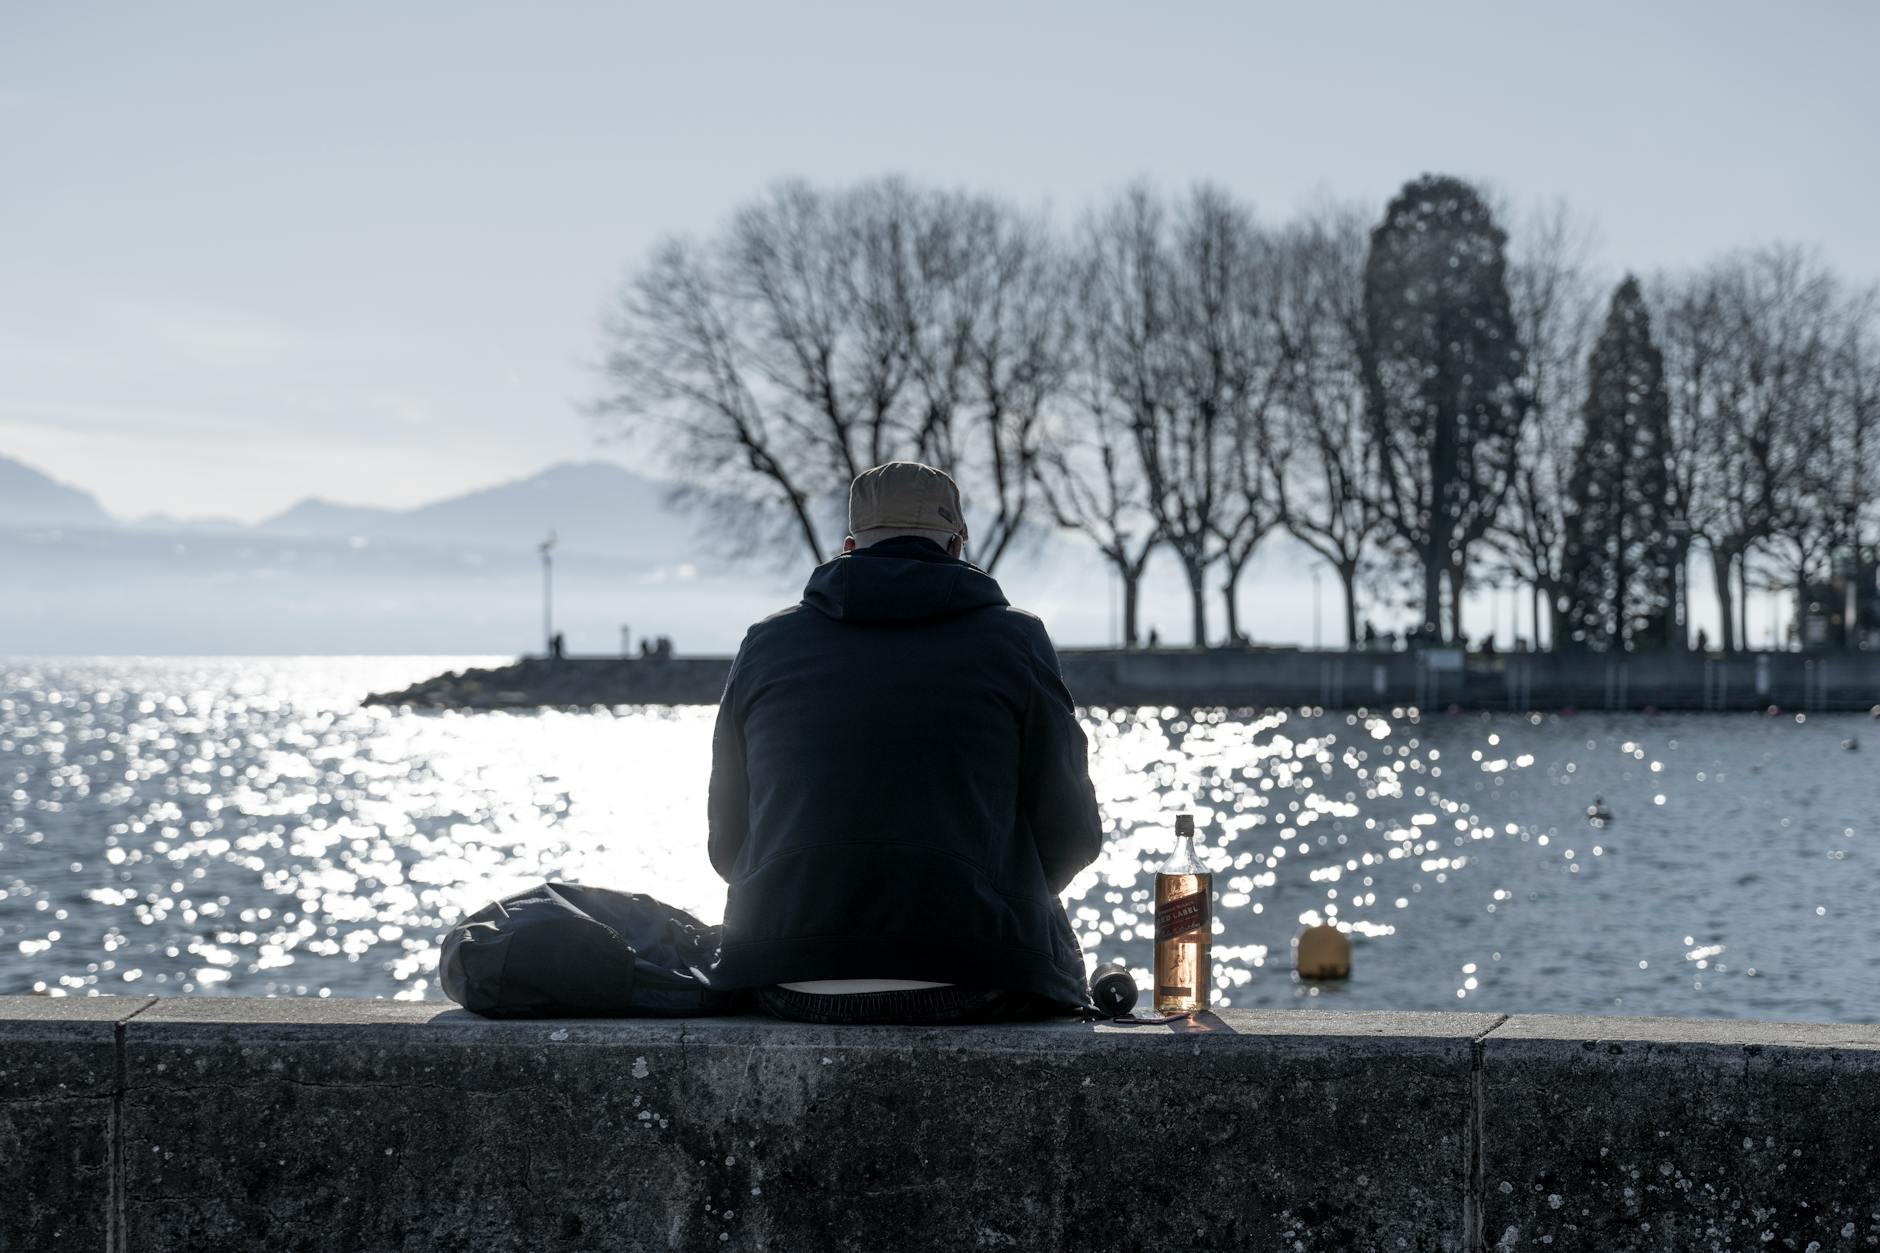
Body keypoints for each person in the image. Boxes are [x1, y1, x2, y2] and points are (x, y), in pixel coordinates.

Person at [707, 462, 1103, 1025]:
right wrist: (993, 902)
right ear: (956, 544)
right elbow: (1073, 834)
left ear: (848, 545)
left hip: (783, 975)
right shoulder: (1015, 639)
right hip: (975, 975)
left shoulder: (767, 643)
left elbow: (728, 842)